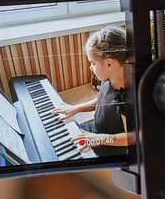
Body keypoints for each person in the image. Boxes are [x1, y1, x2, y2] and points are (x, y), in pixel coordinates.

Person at [51, 24, 130, 157]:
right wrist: (76, 108)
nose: (90, 68)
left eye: (93, 63)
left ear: (109, 63)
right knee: (58, 138)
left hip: (109, 146)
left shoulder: (127, 98)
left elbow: (130, 138)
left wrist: (98, 139)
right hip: (95, 130)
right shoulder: (109, 79)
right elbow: (102, 101)